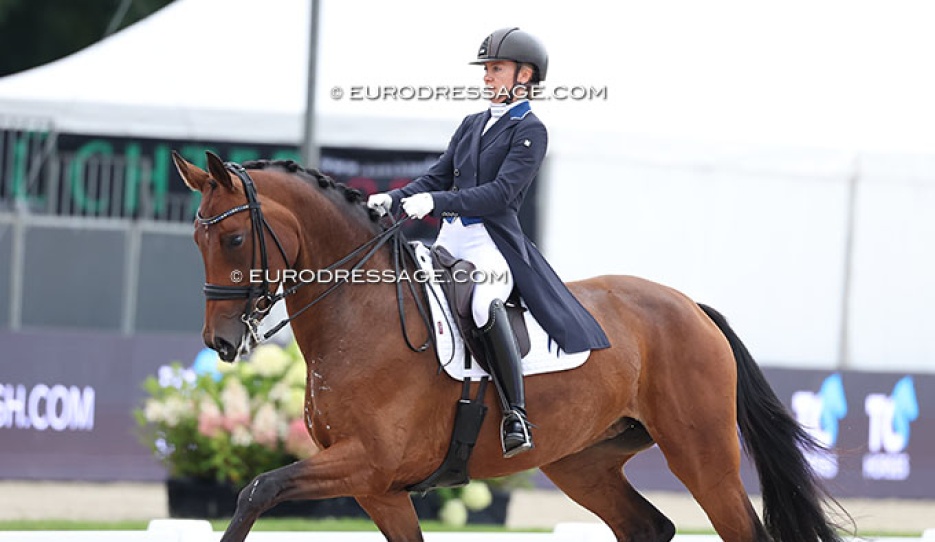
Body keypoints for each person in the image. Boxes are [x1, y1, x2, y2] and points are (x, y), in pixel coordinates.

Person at [368, 27, 610, 458]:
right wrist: (396, 197)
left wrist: (436, 201)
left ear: (524, 75)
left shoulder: (530, 131)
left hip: (490, 242)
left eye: (495, 68)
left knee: (483, 305)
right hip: (449, 238)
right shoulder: (472, 124)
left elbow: (501, 194)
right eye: (487, 69)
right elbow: (437, 175)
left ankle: (515, 415)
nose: (486, 77)